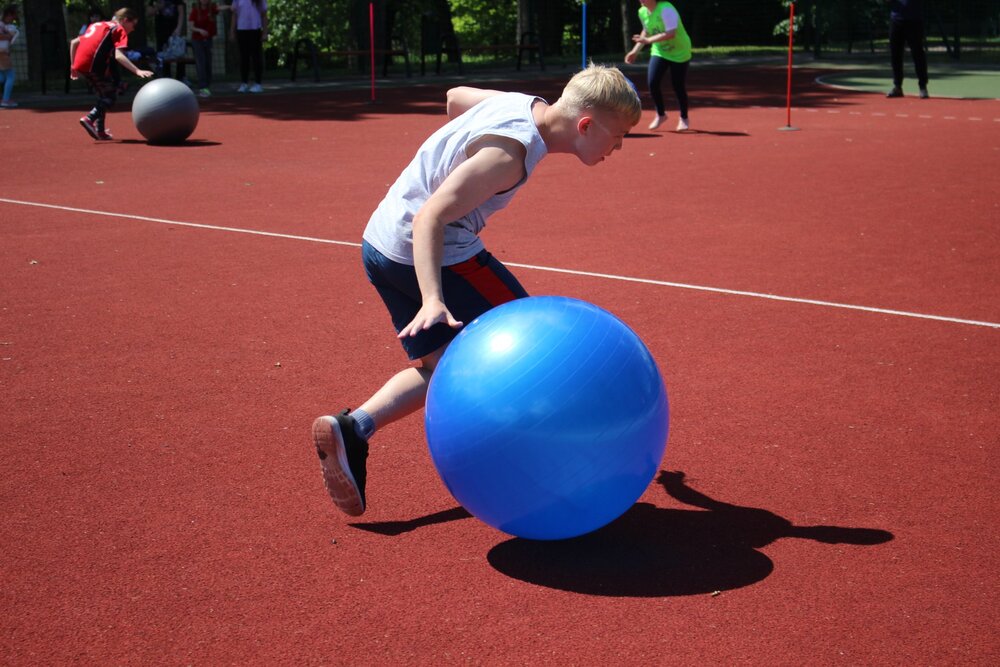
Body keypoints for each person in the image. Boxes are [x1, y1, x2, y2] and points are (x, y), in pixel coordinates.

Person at [310, 64, 642, 517]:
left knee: (442, 366)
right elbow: (432, 216)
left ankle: (353, 428)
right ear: (585, 125)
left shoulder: (521, 105)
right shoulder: (508, 157)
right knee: (538, 351)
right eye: (618, 136)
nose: (618, 148)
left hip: (380, 245)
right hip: (429, 253)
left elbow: (454, 97)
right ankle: (540, 466)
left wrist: (452, 155)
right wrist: (432, 297)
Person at [70, 8, 154, 140]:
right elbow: (119, 55)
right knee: (110, 96)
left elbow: (74, 42)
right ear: (125, 20)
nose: (133, 29)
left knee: (103, 95)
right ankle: (89, 118)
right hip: (94, 66)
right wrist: (137, 70)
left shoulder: (99, 25)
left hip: (82, 64)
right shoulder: (118, 29)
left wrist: (73, 65)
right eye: (133, 25)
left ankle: (100, 130)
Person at [625, 0, 692, 132]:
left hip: (680, 52)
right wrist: (635, 51)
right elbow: (646, 31)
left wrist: (648, 40)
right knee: (652, 82)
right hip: (660, 51)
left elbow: (670, 33)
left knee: (678, 85)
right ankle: (661, 114)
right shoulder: (642, 12)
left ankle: (684, 118)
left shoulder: (666, 9)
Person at [886, 0, 929, 98]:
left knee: (918, 53)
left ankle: (923, 87)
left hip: (914, 20)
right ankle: (897, 87)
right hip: (896, 19)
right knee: (895, 54)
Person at [189, 0, 229, 97]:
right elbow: (191, 26)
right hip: (197, 40)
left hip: (208, 40)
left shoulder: (211, 8)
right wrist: (200, 30)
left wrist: (230, 7)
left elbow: (220, 8)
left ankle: (207, 85)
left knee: (208, 62)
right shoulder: (195, 10)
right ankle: (203, 87)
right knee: (201, 62)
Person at [229, 0, 266, 93]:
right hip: (242, 30)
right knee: (244, 57)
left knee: (256, 57)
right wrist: (232, 31)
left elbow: (264, 15)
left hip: (255, 30)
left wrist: (265, 32)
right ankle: (244, 83)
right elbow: (234, 14)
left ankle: (258, 83)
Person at [149, 0, 187, 81]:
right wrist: (158, 7)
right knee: (163, 54)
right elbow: (149, 13)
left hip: (174, 30)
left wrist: (179, 28)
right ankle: (166, 76)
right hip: (161, 31)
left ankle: (181, 77)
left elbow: (181, 12)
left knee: (179, 53)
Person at [0, 4, 19, 109]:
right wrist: (9, 36)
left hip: (3, 52)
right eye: (12, 17)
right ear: (8, 15)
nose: (13, 20)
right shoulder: (1, 25)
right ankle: (5, 99)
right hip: (2, 53)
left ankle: (5, 98)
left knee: (2, 77)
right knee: (10, 75)